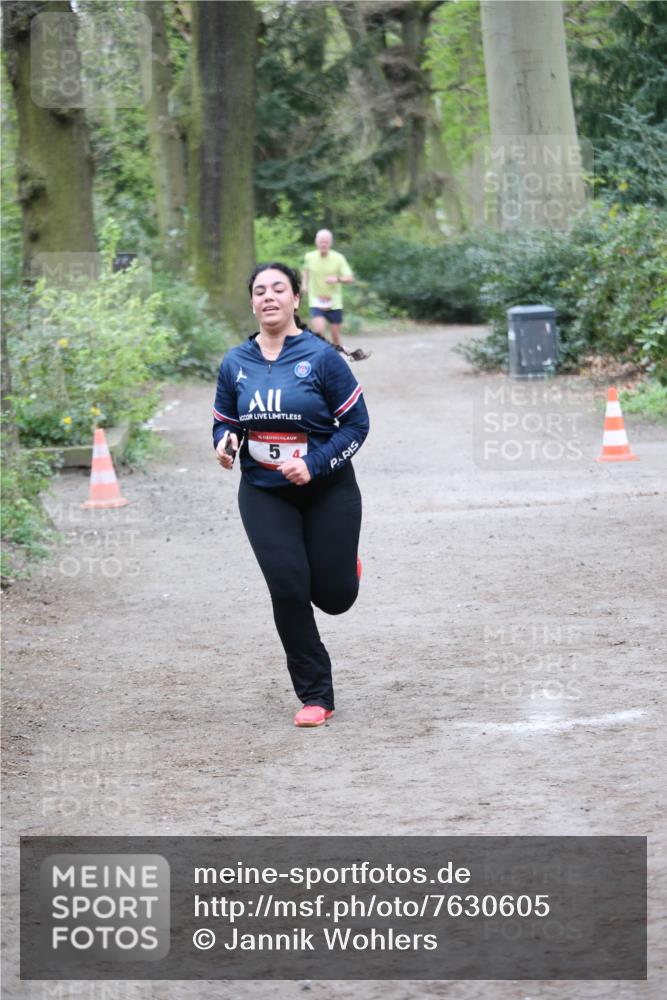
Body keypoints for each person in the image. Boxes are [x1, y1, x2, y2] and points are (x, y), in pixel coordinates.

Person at [212, 263, 369, 728]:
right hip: (264, 493)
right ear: (252, 302)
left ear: (296, 298)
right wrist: (224, 441)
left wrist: (314, 464)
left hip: (327, 490)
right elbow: (226, 420)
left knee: (335, 596)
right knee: (287, 588)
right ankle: (316, 695)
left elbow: (358, 426)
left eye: (278, 289)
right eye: (259, 290)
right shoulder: (235, 363)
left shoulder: (322, 360)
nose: (268, 297)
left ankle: (342, 567)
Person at [302, 229, 354, 349]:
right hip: (316, 299)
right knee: (319, 331)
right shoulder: (309, 257)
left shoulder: (338, 258)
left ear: (330, 243)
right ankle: (322, 357)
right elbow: (306, 270)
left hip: (334, 302)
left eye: (326, 242)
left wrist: (337, 279)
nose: (323, 244)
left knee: (335, 335)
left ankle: (339, 359)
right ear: (316, 242)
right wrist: (305, 284)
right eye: (321, 242)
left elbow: (350, 278)